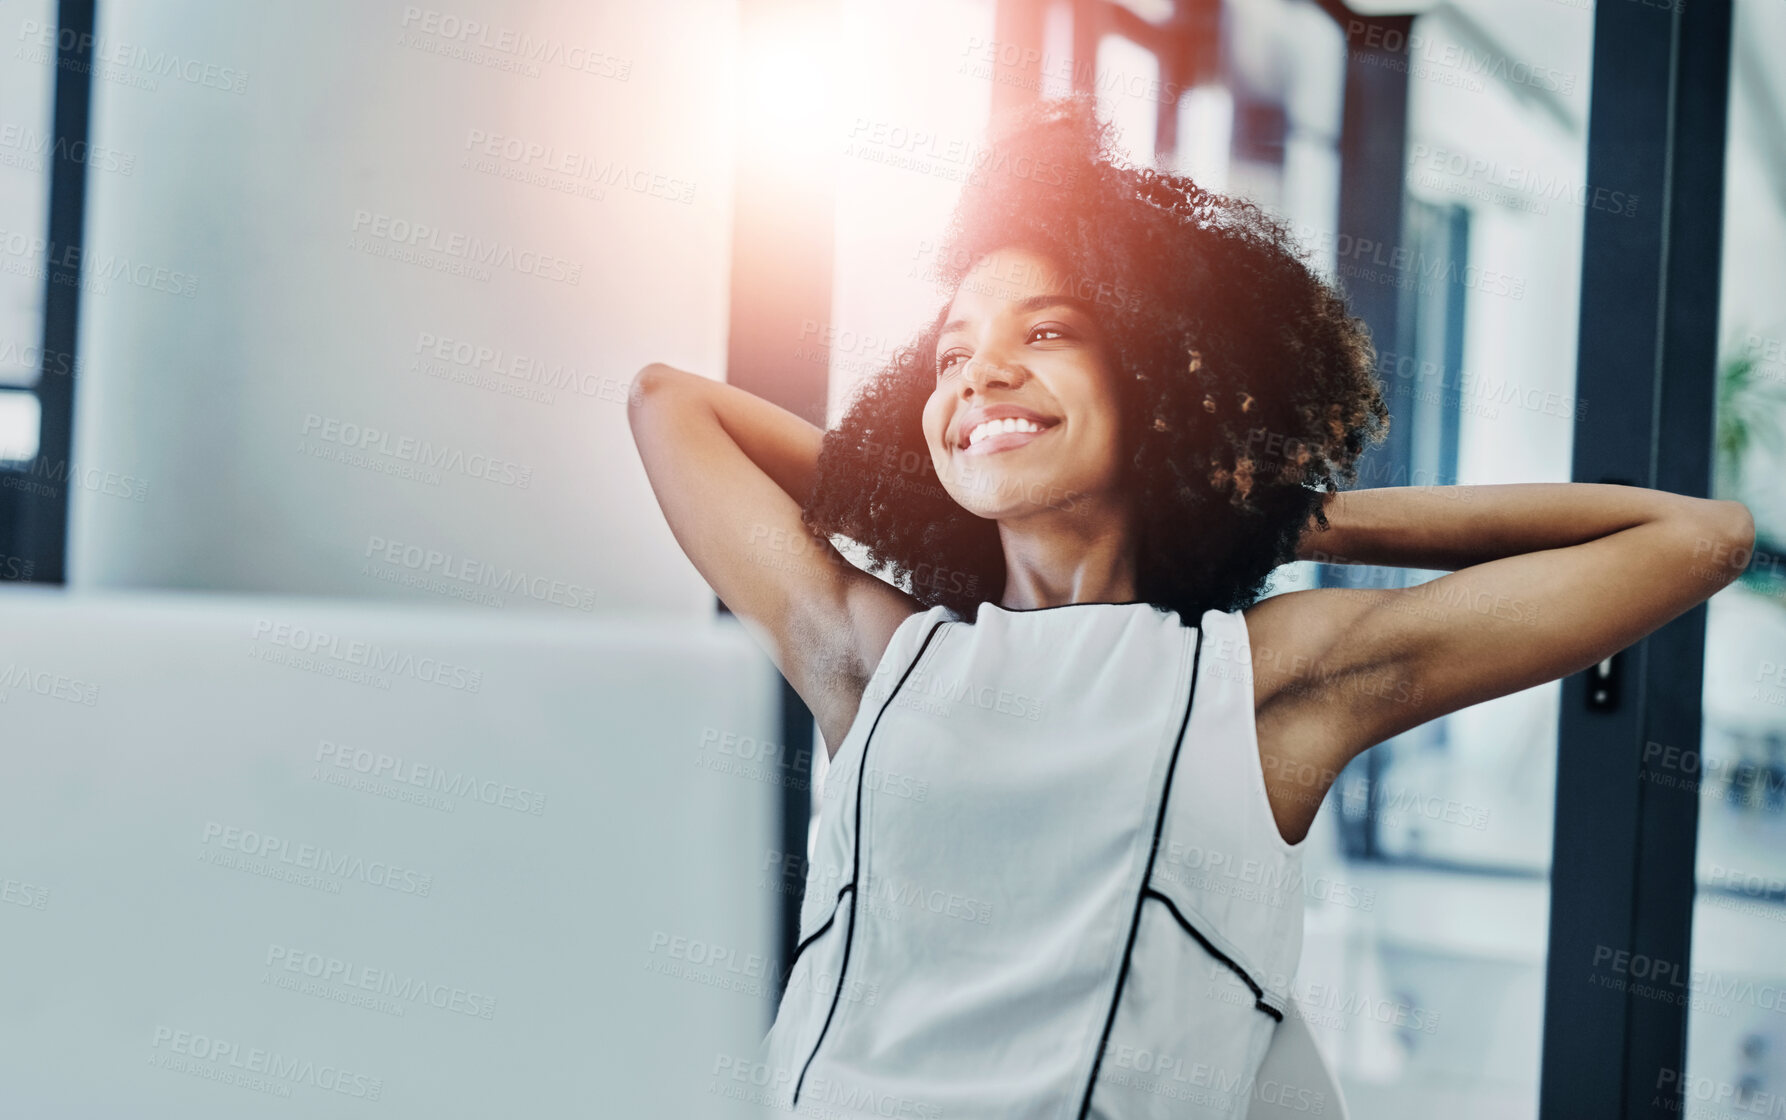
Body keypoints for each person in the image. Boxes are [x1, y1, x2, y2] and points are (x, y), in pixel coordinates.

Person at [627, 95, 1753, 1119]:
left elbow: (1696, 540)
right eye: (951, 356)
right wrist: (928, 481)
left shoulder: (1257, 682)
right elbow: (669, 404)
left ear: (1163, 382)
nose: (979, 373)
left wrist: (1287, 513)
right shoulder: (882, 656)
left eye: (1049, 332)